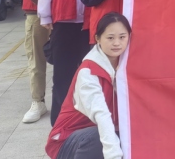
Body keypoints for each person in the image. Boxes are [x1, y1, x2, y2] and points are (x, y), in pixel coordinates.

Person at [46, 12, 130, 159]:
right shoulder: (88, 72)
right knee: (96, 137)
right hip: (69, 139)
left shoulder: (127, 65)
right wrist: (114, 156)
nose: (117, 43)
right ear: (98, 39)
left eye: (122, 37)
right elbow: (101, 115)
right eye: (110, 38)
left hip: (105, 131)